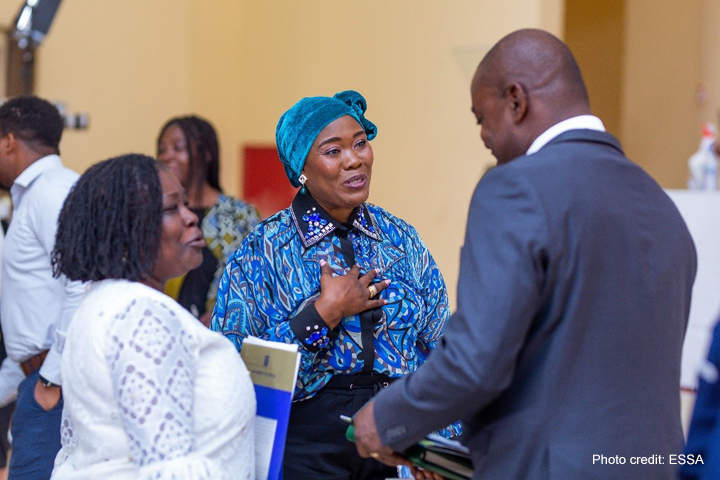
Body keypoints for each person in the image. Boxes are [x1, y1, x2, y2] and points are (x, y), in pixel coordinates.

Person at [351, 28, 697, 479]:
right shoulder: (661, 206)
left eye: (482, 117)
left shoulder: (515, 188)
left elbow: (475, 362)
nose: (484, 137)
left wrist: (385, 419)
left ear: (516, 100)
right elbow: (570, 363)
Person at [212, 90, 458, 479]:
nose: (354, 159)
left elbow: (443, 345)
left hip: (397, 438)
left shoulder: (401, 239)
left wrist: (442, 443)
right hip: (304, 448)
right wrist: (322, 314)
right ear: (301, 170)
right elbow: (232, 370)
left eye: (361, 143)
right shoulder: (262, 251)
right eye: (333, 151)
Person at [50, 154, 255, 478]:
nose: (191, 218)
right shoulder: (140, 314)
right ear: (125, 228)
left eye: (187, 205)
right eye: (172, 209)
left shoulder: (103, 301)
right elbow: (168, 469)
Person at [0, 95, 84, 479]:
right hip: (38, 377)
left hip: (55, 384)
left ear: (8, 142)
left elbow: (82, 283)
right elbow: (34, 316)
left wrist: (51, 378)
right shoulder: (38, 193)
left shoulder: (52, 190)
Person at [157, 115, 260, 325]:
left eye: (178, 148)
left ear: (206, 154)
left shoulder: (239, 215)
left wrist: (221, 314)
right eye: (161, 150)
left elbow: (257, 280)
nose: (167, 157)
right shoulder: (154, 212)